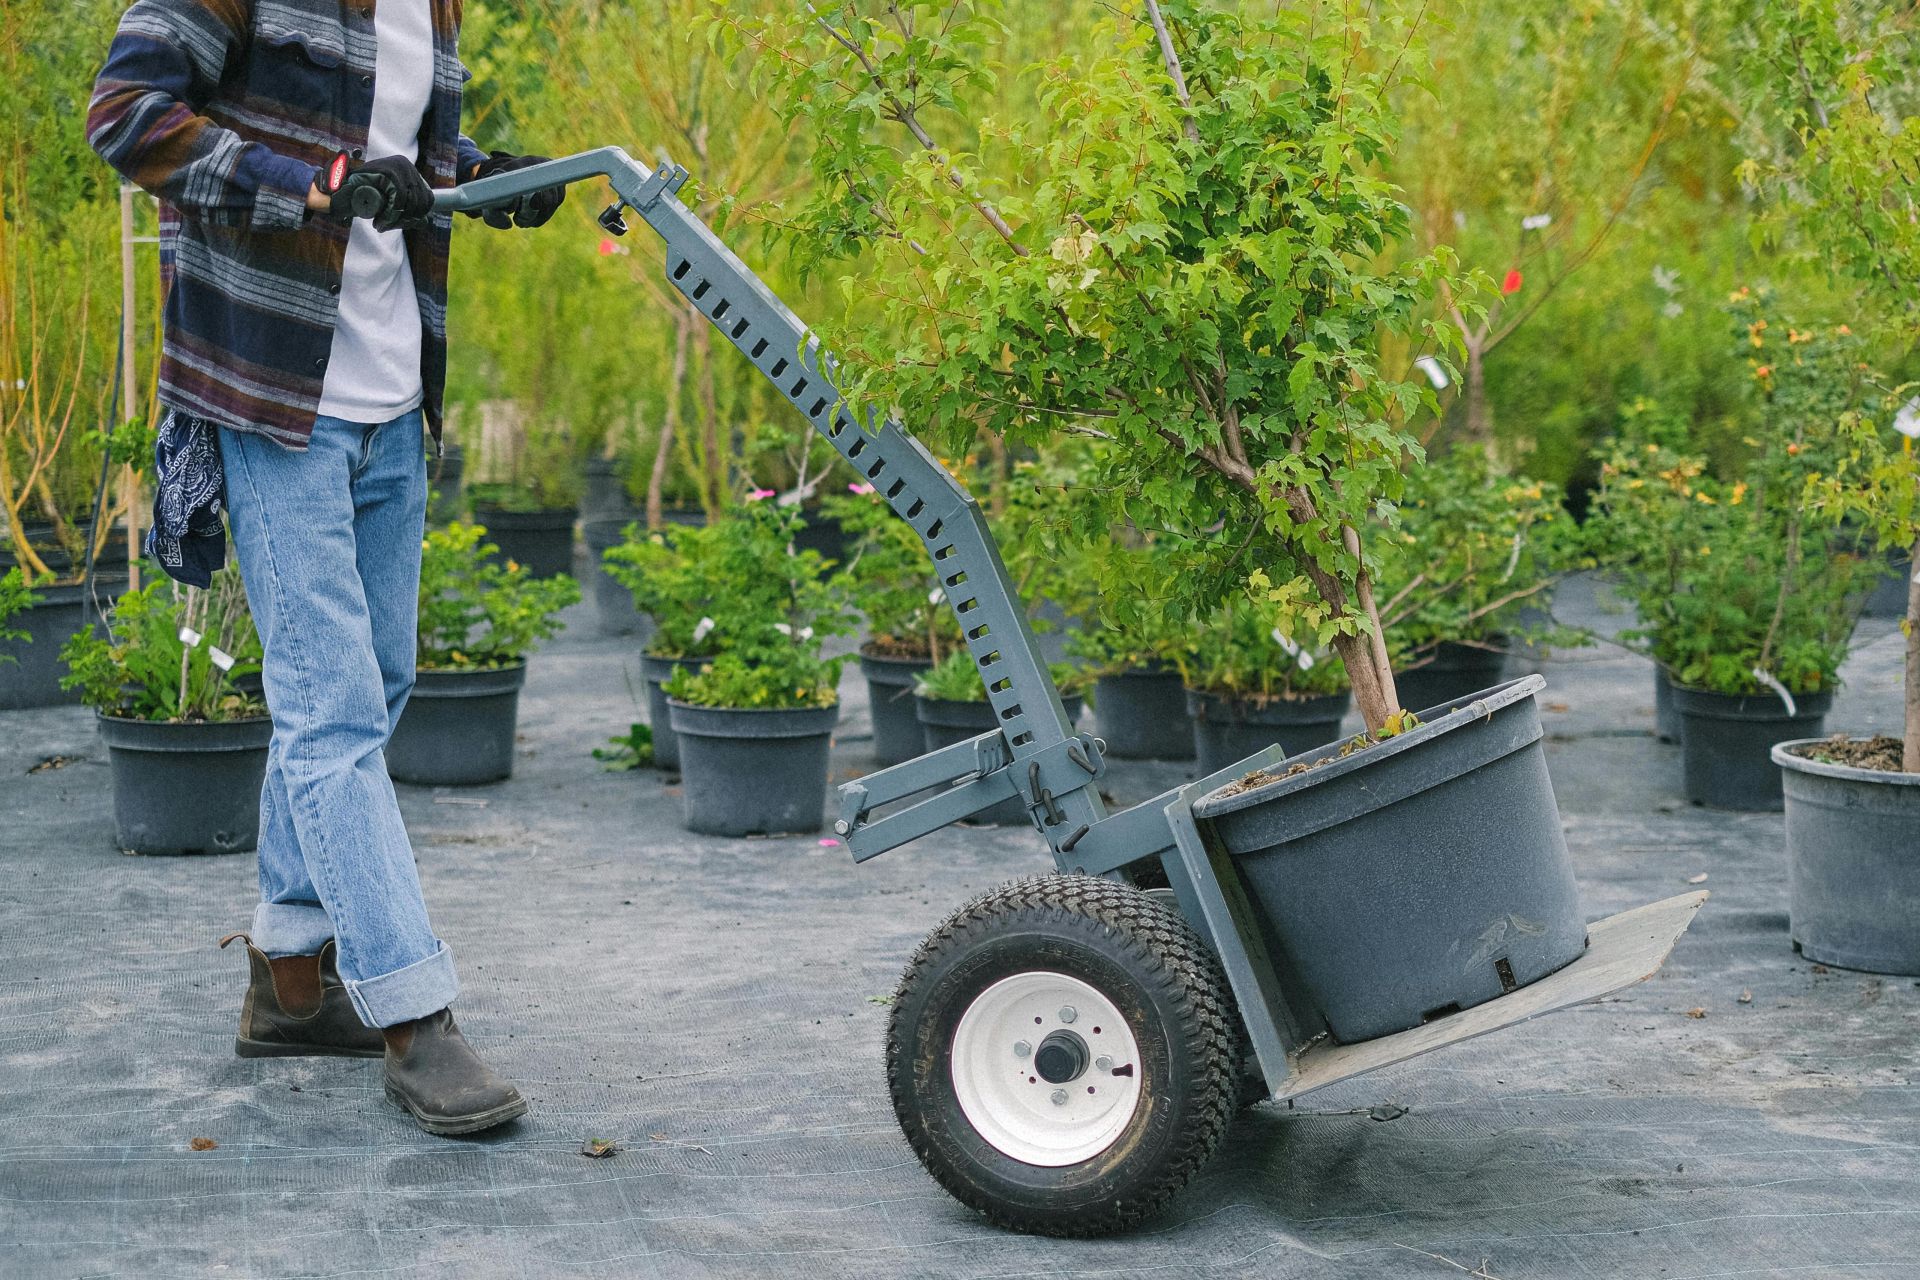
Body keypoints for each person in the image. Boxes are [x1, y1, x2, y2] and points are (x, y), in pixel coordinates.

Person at [87, 0, 568, 1136]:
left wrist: (492, 180)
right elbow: (127, 114)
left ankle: (288, 981)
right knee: (333, 705)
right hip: (272, 391)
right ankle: (415, 1013)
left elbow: (409, 162)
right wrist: (312, 181)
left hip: (393, 389)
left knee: (374, 682)